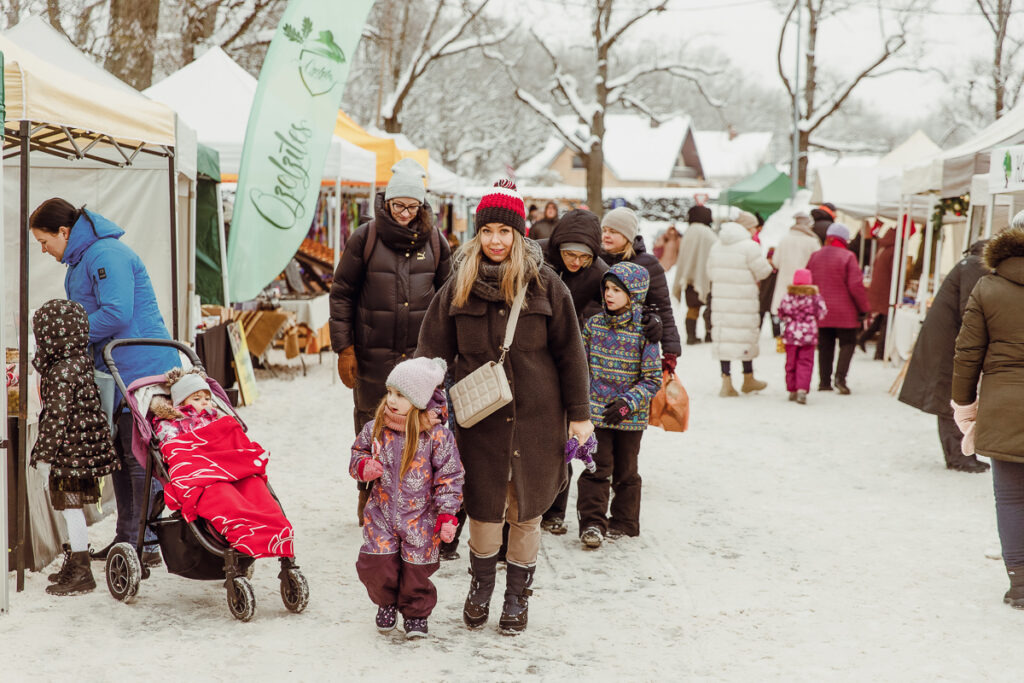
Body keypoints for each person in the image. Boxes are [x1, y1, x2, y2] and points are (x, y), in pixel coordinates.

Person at [415, 178, 592, 635]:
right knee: (485, 506)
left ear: (519, 234)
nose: (496, 240)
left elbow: (571, 353)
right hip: (479, 424)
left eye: (505, 231)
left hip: (538, 420)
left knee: (527, 509)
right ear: (479, 234)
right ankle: (481, 586)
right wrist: (420, 403)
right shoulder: (459, 285)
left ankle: (517, 596)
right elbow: (431, 351)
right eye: (488, 230)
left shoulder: (546, 284)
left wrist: (580, 415)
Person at [30, 198, 178, 568]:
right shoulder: (80, 261)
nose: (43, 250)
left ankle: (144, 540)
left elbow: (116, 312)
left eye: (44, 241)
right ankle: (128, 537)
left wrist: (68, 338)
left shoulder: (104, 254)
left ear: (64, 232)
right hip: (116, 369)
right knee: (121, 458)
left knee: (136, 458)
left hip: (140, 367)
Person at [330, 158, 452, 525]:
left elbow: (448, 297)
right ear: (386, 203)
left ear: (422, 206)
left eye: (412, 206)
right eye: (398, 205)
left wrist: (444, 353)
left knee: (418, 427)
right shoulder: (364, 237)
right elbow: (342, 293)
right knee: (373, 426)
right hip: (372, 355)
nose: (404, 213)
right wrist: (344, 348)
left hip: (419, 359)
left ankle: (414, 498)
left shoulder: (435, 240)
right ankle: (369, 496)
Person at [350, 357, 464, 638]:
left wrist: (448, 515)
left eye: (400, 395)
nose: (391, 400)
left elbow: (450, 477)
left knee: (417, 570)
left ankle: (415, 612)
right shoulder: (377, 427)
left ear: (420, 399)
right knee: (376, 564)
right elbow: (358, 453)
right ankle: (386, 603)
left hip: (421, 518)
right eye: (390, 392)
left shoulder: (437, 437)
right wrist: (364, 466)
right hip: (382, 513)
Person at [951, 225, 1024, 608]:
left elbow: (967, 353)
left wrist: (963, 405)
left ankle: (1020, 583)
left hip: (1003, 405)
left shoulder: (988, 287)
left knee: (1011, 498)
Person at [151, 367, 295, 559]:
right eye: (196, 398)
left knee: (255, 487)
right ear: (180, 402)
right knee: (223, 497)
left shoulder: (218, 420)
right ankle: (244, 535)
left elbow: (230, 439)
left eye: (207, 398)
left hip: (231, 469)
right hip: (203, 474)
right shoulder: (170, 423)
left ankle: (276, 532)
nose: (204, 402)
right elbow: (174, 450)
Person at [31, 300, 118, 596]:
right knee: (73, 508)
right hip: (83, 451)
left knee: (71, 509)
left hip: (70, 454)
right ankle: (77, 560)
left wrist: (44, 458)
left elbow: (56, 418)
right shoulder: (80, 361)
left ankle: (81, 570)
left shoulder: (60, 372)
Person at [536, 208, 610, 535]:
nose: (575, 262)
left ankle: (554, 510)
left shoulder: (599, 273)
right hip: (532, 353)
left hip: (570, 359)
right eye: (569, 254)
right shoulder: (536, 256)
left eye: (584, 257)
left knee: (562, 437)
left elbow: (620, 307)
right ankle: (526, 505)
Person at [577, 262, 660, 548]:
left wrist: (627, 404)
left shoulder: (645, 332)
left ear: (634, 294)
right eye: (607, 289)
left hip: (629, 417)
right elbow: (581, 368)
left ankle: (624, 521)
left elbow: (652, 379)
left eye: (617, 290)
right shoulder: (594, 326)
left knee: (626, 471)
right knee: (596, 469)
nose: (609, 295)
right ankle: (592, 523)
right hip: (597, 416)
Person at [899, 239, 991, 473]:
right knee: (950, 396)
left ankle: (960, 455)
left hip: (947, 340)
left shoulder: (969, 263)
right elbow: (969, 308)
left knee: (951, 395)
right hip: (948, 343)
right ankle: (958, 456)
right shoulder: (974, 265)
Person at [601, 207, 681, 369]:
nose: (606, 236)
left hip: (634, 344)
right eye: (605, 230)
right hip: (601, 343)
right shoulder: (596, 261)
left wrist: (670, 349)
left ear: (627, 236)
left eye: (614, 232)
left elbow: (662, 307)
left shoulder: (648, 264)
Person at [707, 221, 774, 396]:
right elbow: (763, 272)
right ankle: (748, 379)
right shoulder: (749, 246)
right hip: (744, 301)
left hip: (721, 301)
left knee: (725, 342)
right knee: (744, 338)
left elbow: (710, 273)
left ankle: (726, 382)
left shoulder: (716, 246)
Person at [805, 223, 869, 394]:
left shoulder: (815, 256)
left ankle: (824, 381)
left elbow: (808, 282)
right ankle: (840, 378)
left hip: (822, 311)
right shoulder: (848, 256)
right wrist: (864, 308)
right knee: (848, 343)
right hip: (845, 311)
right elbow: (855, 285)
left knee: (825, 345)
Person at [777, 269, 827, 405]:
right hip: (808, 335)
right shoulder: (815, 297)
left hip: (791, 334)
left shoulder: (788, 296)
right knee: (805, 362)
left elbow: (781, 312)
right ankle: (802, 390)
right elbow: (822, 312)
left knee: (791, 362)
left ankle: (792, 389)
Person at [770, 212, 820, 335]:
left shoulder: (784, 240)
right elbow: (817, 263)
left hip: (785, 283)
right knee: (802, 313)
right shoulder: (813, 242)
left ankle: (786, 335)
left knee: (784, 310)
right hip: (805, 285)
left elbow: (775, 262)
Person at [673, 205, 717, 344]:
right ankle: (709, 334)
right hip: (707, 278)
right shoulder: (708, 233)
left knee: (692, 308)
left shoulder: (689, 232)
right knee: (711, 308)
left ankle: (691, 336)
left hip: (689, 278)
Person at [858, 227, 897, 360]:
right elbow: (894, 272)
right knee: (887, 320)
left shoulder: (883, 248)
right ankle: (880, 352)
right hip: (887, 290)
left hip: (879, 288)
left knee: (882, 317)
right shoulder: (893, 250)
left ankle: (863, 338)